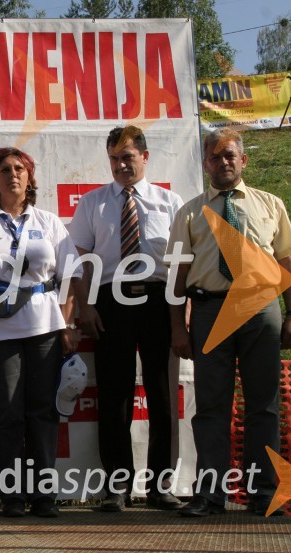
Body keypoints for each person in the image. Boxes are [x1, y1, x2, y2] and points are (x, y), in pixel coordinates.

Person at [169, 129, 291, 517]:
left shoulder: (270, 205)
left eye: (229, 155)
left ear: (243, 161)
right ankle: (210, 495)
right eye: (215, 157)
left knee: (264, 406)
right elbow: (178, 277)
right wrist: (179, 327)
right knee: (211, 405)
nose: (223, 162)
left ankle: (263, 495)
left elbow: (288, 262)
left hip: (262, 312)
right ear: (205, 164)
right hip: (210, 313)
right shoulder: (189, 212)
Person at [0, 147, 81, 517]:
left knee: (42, 410)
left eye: (19, 168)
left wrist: (68, 323)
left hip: (43, 325)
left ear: (30, 177)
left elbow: (70, 276)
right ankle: (11, 496)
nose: (12, 175)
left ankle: (43, 496)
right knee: (7, 413)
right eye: (4, 169)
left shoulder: (50, 221)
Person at [68, 126, 184, 511]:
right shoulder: (93, 203)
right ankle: (117, 487)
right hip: (109, 303)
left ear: (145, 157)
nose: (121, 165)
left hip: (158, 302)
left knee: (162, 396)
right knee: (114, 396)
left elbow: (183, 266)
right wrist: (84, 307)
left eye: (128, 157)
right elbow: (80, 261)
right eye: (115, 159)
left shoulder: (170, 203)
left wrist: (181, 316)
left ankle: (160, 486)